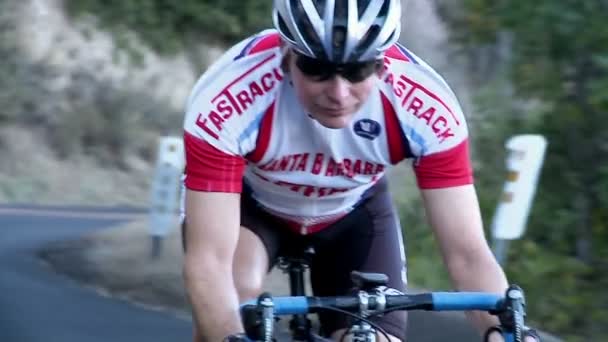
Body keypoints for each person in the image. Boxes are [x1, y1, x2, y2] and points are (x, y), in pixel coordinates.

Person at [180, 0, 539, 341]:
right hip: (253, 209)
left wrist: (504, 331)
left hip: (353, 214)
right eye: (317, 69)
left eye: (357, 70)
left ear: (382, 65)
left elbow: (467, 252)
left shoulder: (425, 106)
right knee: (236, 297)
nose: (339, 93)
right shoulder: (230, 98)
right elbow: (208, 262)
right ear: (286, 57)